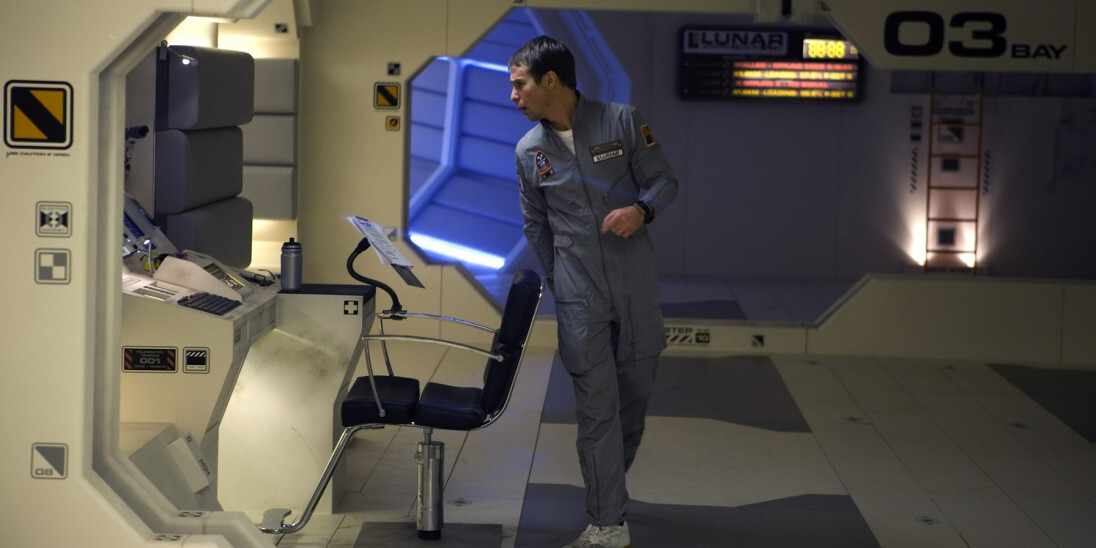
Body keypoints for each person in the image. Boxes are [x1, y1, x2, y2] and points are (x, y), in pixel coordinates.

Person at [509, 36, 679, 548]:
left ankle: (610, 489)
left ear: (550, 81)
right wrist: (558, 279)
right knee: (596, 411)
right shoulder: (529, 151)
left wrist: (641, 210)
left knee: (633, 403)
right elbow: (535, 224)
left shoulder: (622, 122)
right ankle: (607, 521)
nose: (514, 96)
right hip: (578, 297)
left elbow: (664, 181)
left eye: (520, 85)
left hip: (634, 287)